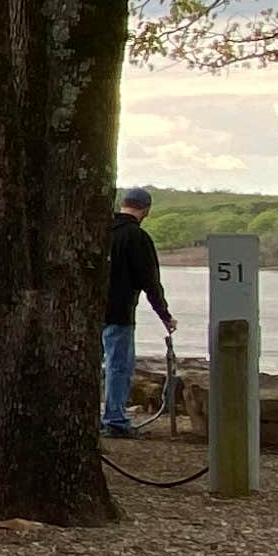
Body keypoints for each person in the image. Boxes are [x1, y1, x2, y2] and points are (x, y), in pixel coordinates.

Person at [103, 185, 174, 437]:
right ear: (146, 210)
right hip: (119, 313)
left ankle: (93, 417)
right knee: (118, 367)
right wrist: (165, 315)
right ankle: (115, 420)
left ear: (123, 204)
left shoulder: (101, 231)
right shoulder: (137, 237)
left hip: (89, 314)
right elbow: (150, 282)